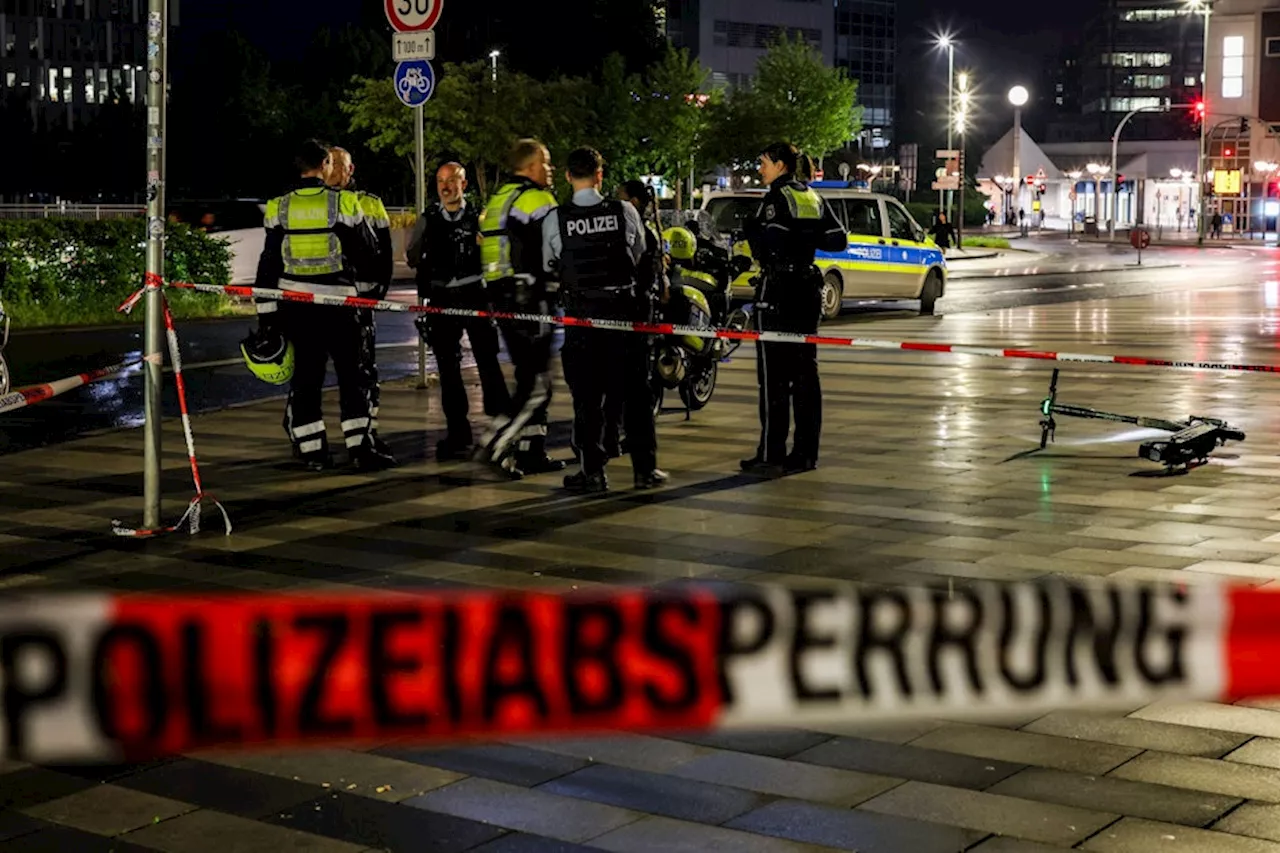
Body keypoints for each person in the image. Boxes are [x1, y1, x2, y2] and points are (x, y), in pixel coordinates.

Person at [253, 138, 391, 471]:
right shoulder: (343, 203)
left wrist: (266, 314)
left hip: (295, 306)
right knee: (352, 378)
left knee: (305, 379)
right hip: (339, 304)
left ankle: (312, 451)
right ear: (325, 164)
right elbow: (367, 254)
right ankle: (360, 448)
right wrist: (368, 296)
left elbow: (268, 263)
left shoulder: (278, 207)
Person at [544, 147, 666, 493]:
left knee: (586, 400)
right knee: (636, 397)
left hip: (582, 320)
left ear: (568, 176)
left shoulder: (556, 219)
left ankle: (592, 472)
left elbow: (549, 265)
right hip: (622, 319)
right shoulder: (624, 211)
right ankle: (645, 470)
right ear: (600, 176)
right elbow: (640, 254)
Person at [740, 141, 846, 476]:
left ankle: (771, 453)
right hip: (807, 289)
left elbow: (769, 242)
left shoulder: (775, 197)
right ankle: (805, 453)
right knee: (805, 376)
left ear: (780, 165)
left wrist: (753, 232)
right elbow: (837, 239)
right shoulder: (812, 196)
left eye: (764, 163)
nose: (761, 169)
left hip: (779, 290)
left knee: (773, 379)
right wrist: (807, 236)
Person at [475, 139, 567, 479]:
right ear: (529, 167)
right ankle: (494, 445)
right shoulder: (538, 199)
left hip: (503, 298)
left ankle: (530, 451)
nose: (550, 169)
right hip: (531, 299)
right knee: (537, 384)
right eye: (545, 163)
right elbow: (558, 250)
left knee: (530, 378)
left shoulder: (499, 199)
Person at [407, 162, 510, 461]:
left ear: (464, 184)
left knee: (487, 361)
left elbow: (496, 255)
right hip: (441, 298)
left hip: (475, 295)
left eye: (452, 180)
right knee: (448, 369)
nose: (445, 186)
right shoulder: (428, 218)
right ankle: (457, 432)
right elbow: (412, 256)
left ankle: (501, 425)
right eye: (440, 181)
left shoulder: (480, 217)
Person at [327, 146, 396, 463]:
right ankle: (307, 438)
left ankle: (369, 434)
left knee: (364, 372)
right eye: (329, 163)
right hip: (323, 301)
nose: (334, 170)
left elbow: (384, 253)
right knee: (311, 373)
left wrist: (378, 291)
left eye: (339, 164)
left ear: (351, 169)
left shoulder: (370, 203)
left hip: (359, 302)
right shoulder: (316, 203)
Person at [604, 179, 669, 456]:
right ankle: (628, 439)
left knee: (624, 380)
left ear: (634, 202)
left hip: (635, 310)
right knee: (633, 379)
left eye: (622, 197)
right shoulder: (648, 229)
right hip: (641, 310)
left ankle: (617, 436)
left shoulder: (640, 229)